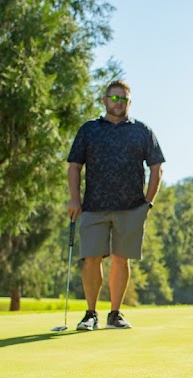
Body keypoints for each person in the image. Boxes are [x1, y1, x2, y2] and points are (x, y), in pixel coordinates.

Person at [67, 80, 164, 330]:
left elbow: (157, 168)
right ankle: (90, 314)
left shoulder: (142, 131)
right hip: (93, 206)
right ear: (104, 100)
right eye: (114, 98)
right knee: (91, 259)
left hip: (131, 207)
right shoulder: (89, 130)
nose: (118, 103)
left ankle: (115, 314)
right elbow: (75, 166)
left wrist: (148, 202)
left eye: (123, 99)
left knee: (122, 260)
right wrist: (75, 199)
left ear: (129, 102)